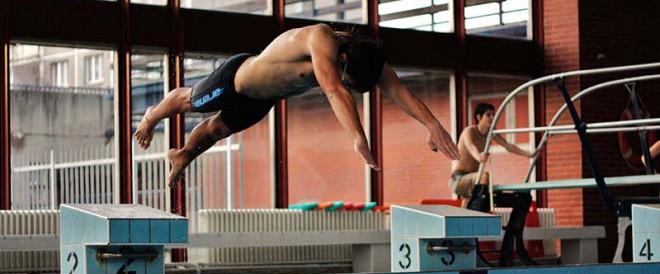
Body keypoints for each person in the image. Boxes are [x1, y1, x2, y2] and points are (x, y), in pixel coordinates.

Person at [134, 24, 459, 187]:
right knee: (190, 101)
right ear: (343, 58)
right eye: (350, 79)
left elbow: (402, 93)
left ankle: (182, 154)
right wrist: (358, 136)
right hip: (236, 79)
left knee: (217, 129)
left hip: (263, 99)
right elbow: (333, 90)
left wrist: (432, 125)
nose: (349, 84)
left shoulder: (369, 59)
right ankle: (152, 115)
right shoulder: (321, 38)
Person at [450, 102, 536, 200]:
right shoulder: (469, 131)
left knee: (469, 204)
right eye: (488, 115)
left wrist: (528, 154)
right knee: (485, 177)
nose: (492, 117)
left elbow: (507, 146)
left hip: (474, 179)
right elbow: (471, 147)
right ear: (479, 117)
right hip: (458, 179)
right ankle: (482, 210)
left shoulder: (491, 133)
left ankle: (473, 211)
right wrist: (479, 156)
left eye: (493, 115)